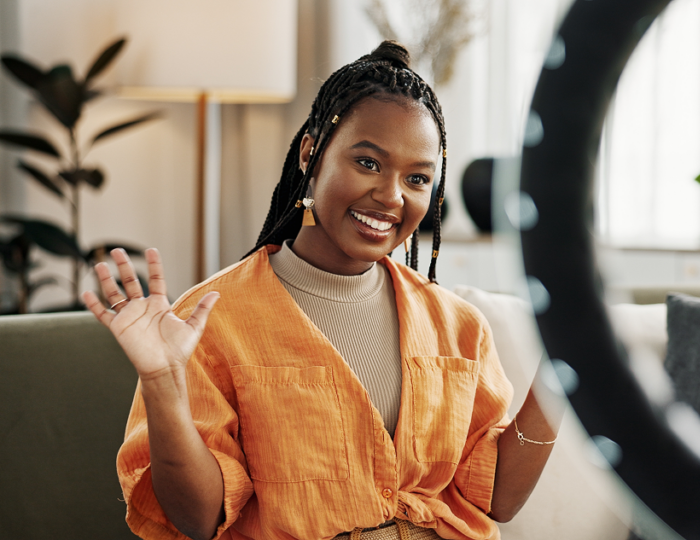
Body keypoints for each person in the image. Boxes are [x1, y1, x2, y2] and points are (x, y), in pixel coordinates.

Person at [83, 41, 561, 540]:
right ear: (313, 152)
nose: (391, 196)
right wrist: (163, 383)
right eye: (369, 163)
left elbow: (497, 497)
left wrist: (564, 370)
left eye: (417, 178)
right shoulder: (214, 321)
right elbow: (198, 519)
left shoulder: (458, 325)